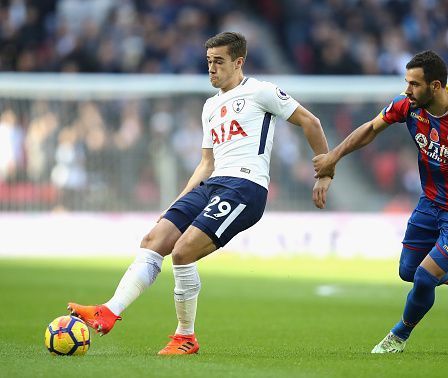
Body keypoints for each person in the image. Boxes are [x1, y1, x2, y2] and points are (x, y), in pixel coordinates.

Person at [68, 31, 333, 355]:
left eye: (219, 62)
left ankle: (185, 337)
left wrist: (325, 173)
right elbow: (207, 162)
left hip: (245, 187)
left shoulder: (262, 92)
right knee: (155, 239)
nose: (212, 69)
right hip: (213, 183)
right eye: (208, 62)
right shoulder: (210, 106)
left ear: (239, 62)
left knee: (183, 252)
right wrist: (178, 202)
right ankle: (109, 310)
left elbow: (312, 122)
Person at [313, 50, 448, 353]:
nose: (407, 90)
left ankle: (398, 336)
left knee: (423, 276)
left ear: (436, 86)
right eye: (407, 82)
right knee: (408, 271)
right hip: (430, 203)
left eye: (414, 84)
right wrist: (333, 157)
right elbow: (370, 128)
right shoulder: (408, 105)